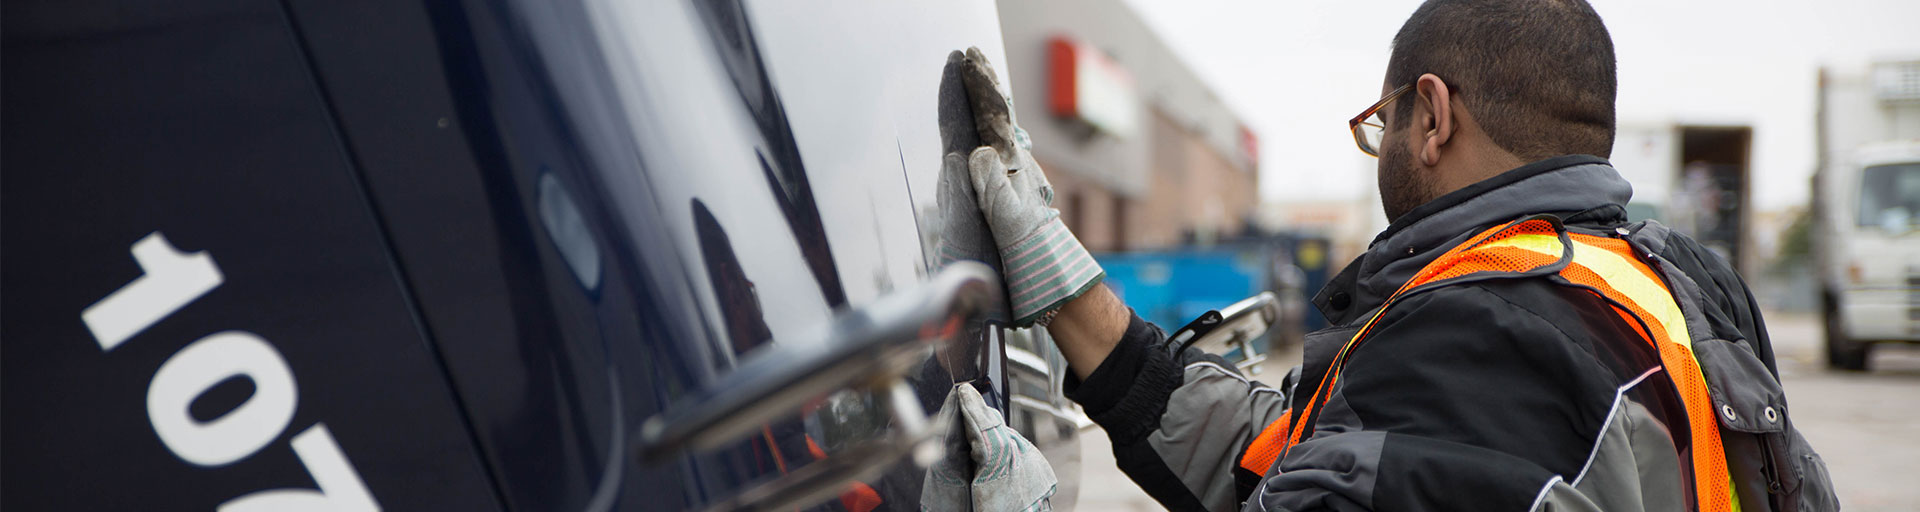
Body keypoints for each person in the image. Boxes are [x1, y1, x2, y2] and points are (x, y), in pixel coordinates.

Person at [939, 0, 1839, 510]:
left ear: (1434, 115)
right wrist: (1072, 292)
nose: (1384, 148)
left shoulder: (1480, 334)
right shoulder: (1676, 283)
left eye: (1385, 123)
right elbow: (1292, 461)